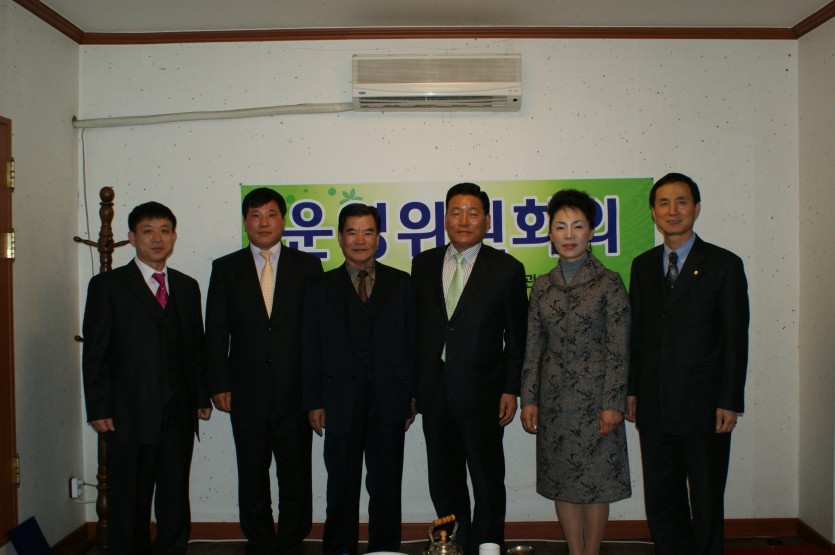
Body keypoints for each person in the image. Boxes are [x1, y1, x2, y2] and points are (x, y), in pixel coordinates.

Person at [624, 172, 749, 555]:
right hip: (655, 403)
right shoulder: (643, 265)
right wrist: (632, 390)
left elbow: (735, 338)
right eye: (663, 203)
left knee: (707, 498)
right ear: (653, 212)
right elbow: (637, 334)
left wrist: (730, 400)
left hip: (705, 405)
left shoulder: (724, 264)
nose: (672, 210)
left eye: (681, 201)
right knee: (662, 498)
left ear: (696, 208)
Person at [82, 201, 212, 554]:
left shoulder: (186, 286)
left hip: (178, 412)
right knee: (129, 501)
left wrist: (201, 397)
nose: (157, 239)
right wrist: (98, 407)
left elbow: (196, 347)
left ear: (174, 237)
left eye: (164, 231)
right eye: (148, 231)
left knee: (174, 496)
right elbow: (95, 352)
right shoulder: (107, 286)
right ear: (131, 237)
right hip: (127, 412)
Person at [411, 182, 528, 555]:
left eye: (472, 213)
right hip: (434, 392)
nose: (464, 220)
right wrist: (413, 390)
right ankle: (453, 545)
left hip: (484, 394)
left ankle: (488, 547)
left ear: (487, 221)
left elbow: (517, 338)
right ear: (445, 218)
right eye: (456, 212)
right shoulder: (423, 264)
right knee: (443, 480)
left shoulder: (507, 269)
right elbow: (415, 332)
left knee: (487, 479)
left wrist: (510, 389)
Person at [205, 187, 323, 554]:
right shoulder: (226, 268)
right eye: (255, 216)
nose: (263, 222)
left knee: (296, 471)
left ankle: (292, 537)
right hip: (245, 391)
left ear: (283, 221)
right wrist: (218, 383)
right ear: (245, 222)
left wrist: (316, 392)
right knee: (252, 471)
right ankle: (259, 538)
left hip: (295, 391)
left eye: (271, 214)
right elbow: (216, 332)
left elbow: (318, 334)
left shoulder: (308, 267)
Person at [520, 189, 631, 555]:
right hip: (553, 402)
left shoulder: (609, 282)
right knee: (562, 480)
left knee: (596, 483)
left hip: (597, 403)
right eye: (561, 226)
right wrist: (529, 399)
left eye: (578, 226)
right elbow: (533, 347)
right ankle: (573, 550)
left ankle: (591, 552)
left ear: (591, 232)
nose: (569, 235)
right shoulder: (542, 286)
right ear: (550, 233)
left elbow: (619, 348)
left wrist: (613, 403)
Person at [302, 203, 416, 555]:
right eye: (352, 232)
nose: (360, 240)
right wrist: (314, 401)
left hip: (390, 400)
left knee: (386, 487)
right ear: (340, 238)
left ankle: (385, 550)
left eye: (368, 232)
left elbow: (413, 344)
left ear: (378, 238)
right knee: (341, 486)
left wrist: (411, 398)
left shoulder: (401, 283)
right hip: (339, 401)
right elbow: (310, 347)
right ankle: (339, 549)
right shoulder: (319, 287)